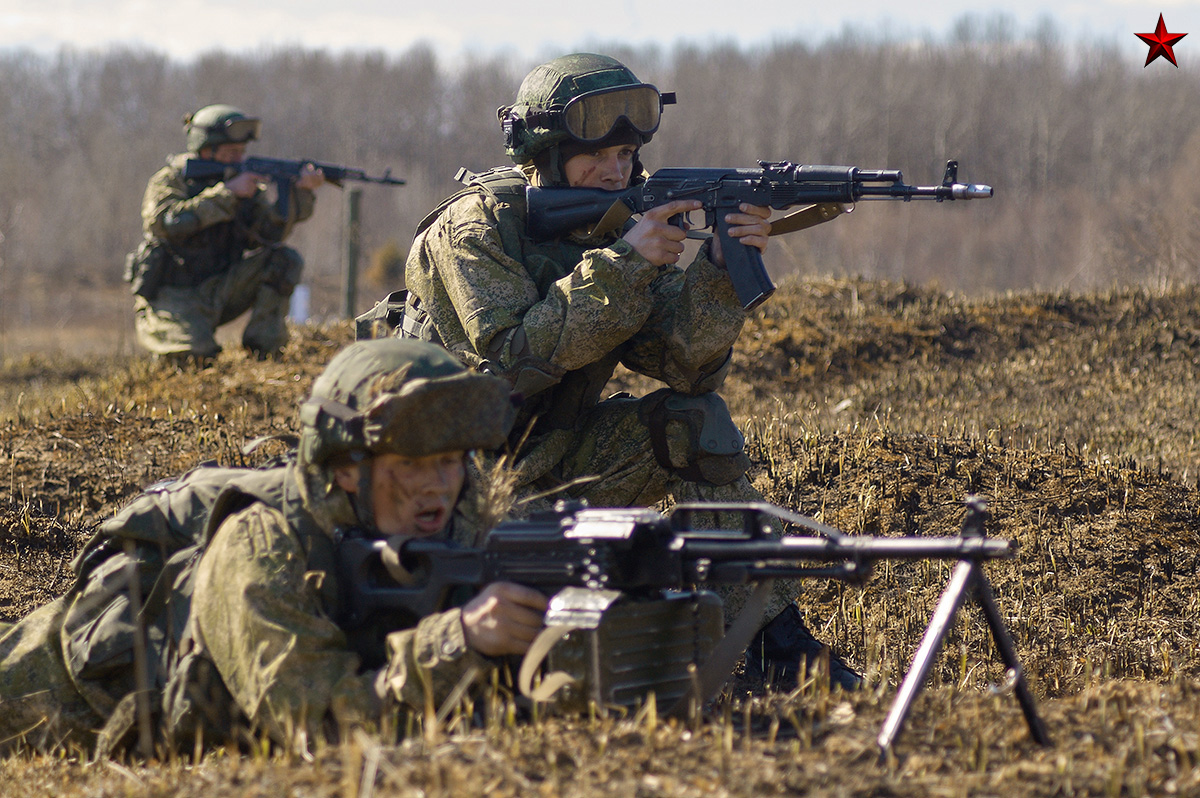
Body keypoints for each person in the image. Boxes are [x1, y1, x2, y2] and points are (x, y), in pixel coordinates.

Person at [398, 53, 860, 690]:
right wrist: (623, 264)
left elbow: (685, 367)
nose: (615, 172)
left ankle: (768, 644)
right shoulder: (474, 229)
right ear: (547, 155)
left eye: (627, 154)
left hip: (560, 462)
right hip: (455, 489)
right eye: (597, 157)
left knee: (697, 425)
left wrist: (721, 271)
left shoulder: (617, 226)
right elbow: (511, 362)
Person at [0, 338, 546, 756]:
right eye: (410, 465)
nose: (438, 487)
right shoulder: (262, 546)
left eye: (450, 461)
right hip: (47, 698)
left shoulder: (466, 514)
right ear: (346, 470)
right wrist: (460, 638)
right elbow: (317, 729)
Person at [124, 103, 325, 362]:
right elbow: (167, 223)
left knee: (284, 260)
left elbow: (269, 235)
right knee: (193, 362)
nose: (239, 160)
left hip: (222, 288)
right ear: (206, 151)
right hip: (172, 296)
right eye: (231, 153)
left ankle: (265, 350)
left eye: (241, 153)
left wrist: (301, 193)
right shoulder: (171, 180)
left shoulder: (242, 185)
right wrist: (227, 194)